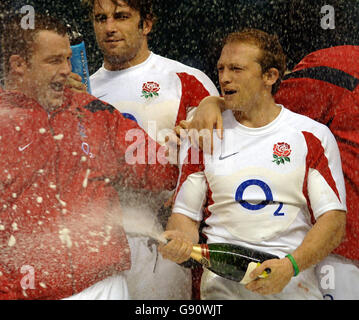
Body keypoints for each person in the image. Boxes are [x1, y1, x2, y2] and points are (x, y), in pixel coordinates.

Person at [159, 29, 346, 300]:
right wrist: (179, 241)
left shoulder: (310, 136)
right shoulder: (204, 135)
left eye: (236, 69)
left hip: (292, 287)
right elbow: (185, 216)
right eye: (221, 68)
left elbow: (333, 222)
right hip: (221, 291)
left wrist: (290, 266)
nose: (224, 78)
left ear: (269, 76)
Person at [0, 14, 178, 300]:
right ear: (19, 65)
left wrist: (200, 117)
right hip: (21, 292)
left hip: (101, 285)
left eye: (68, 59)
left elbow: (163, 173)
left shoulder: (94, 112)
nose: (66, 70)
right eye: (54, 61)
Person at [68, 0, 219, 300]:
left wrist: (185, 217)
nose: (109, 27)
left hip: (162, 245)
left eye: (121, 16)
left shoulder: (184, 80)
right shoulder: (82, 89)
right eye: (101, 18)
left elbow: (214, 163)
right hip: (98, 245)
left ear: (146, 23)